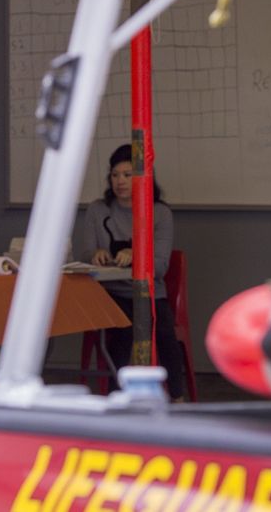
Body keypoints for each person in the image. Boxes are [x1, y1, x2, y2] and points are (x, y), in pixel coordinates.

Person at [76, 144, 185, 401]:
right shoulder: (97, 209)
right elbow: (84, 256)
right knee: (123, 329)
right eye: (115, 175)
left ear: (144, 178)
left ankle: (177, 396)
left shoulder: (159, 213)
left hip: (148, 294)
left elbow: (160, 267)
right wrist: (95, 255)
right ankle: (115, 396)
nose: (120, 181)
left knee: (163, 331)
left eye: (127, 175)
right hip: (108, 293)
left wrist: (137, 255)